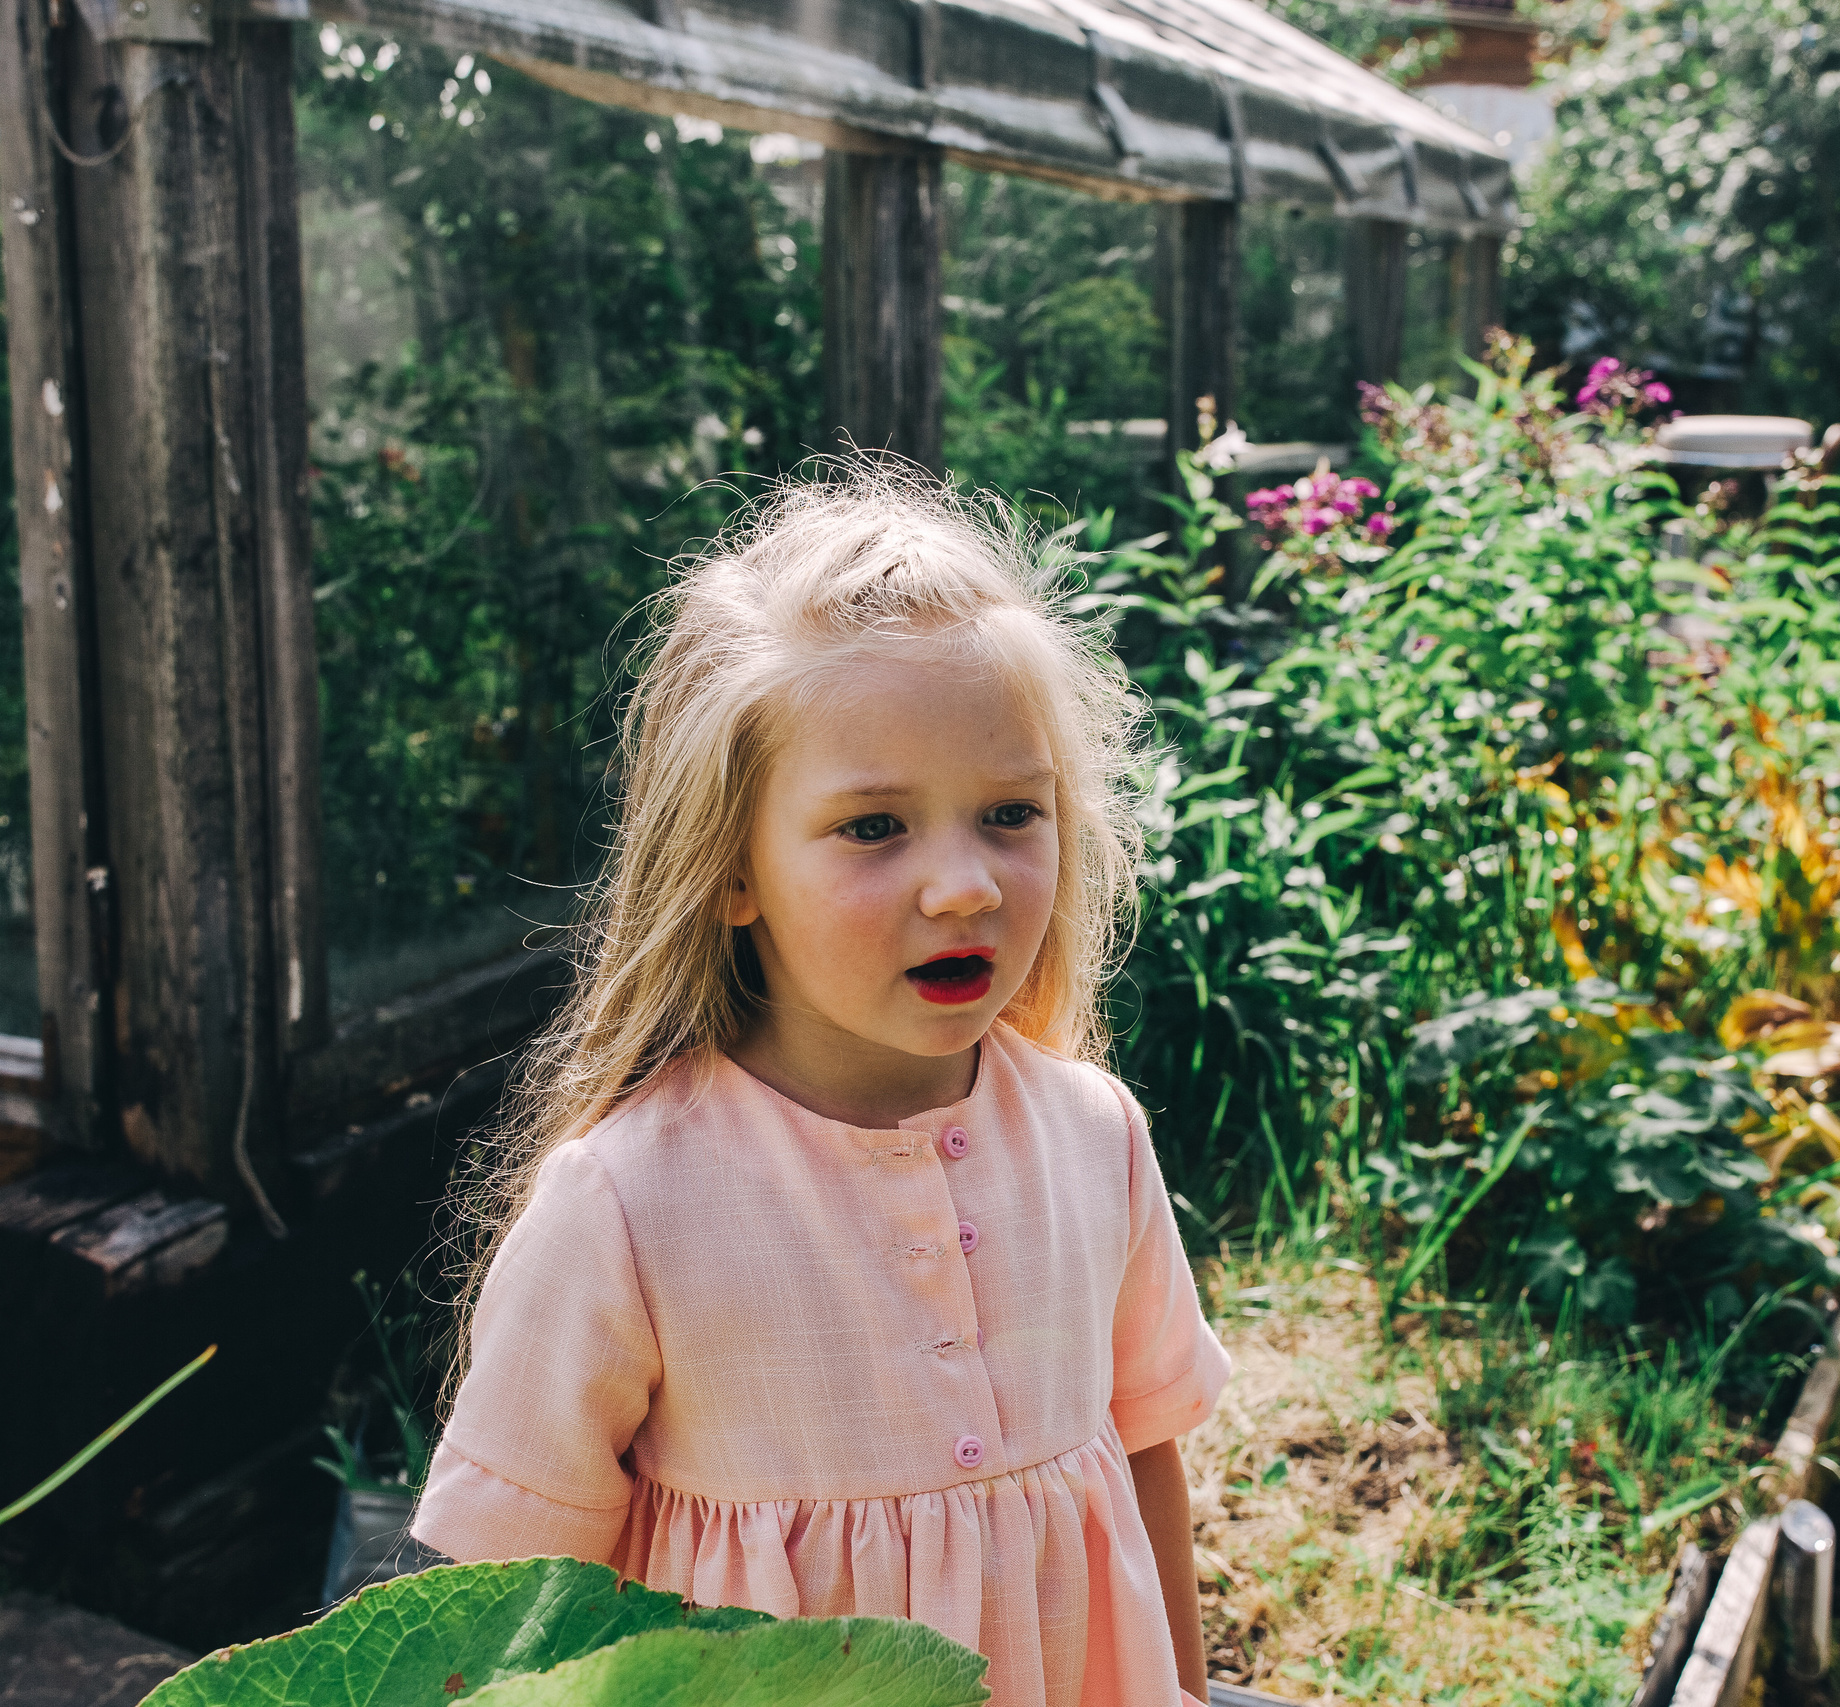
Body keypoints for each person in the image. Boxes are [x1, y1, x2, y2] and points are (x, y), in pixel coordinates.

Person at [411, 464, 1232, 1707]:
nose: (964, 884)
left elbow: (1145, 1450)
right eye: (873, 828)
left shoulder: (1092, 1136)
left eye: (1011, 810)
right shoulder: (629, 1205)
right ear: (730, 872)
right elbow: (492, 1602)